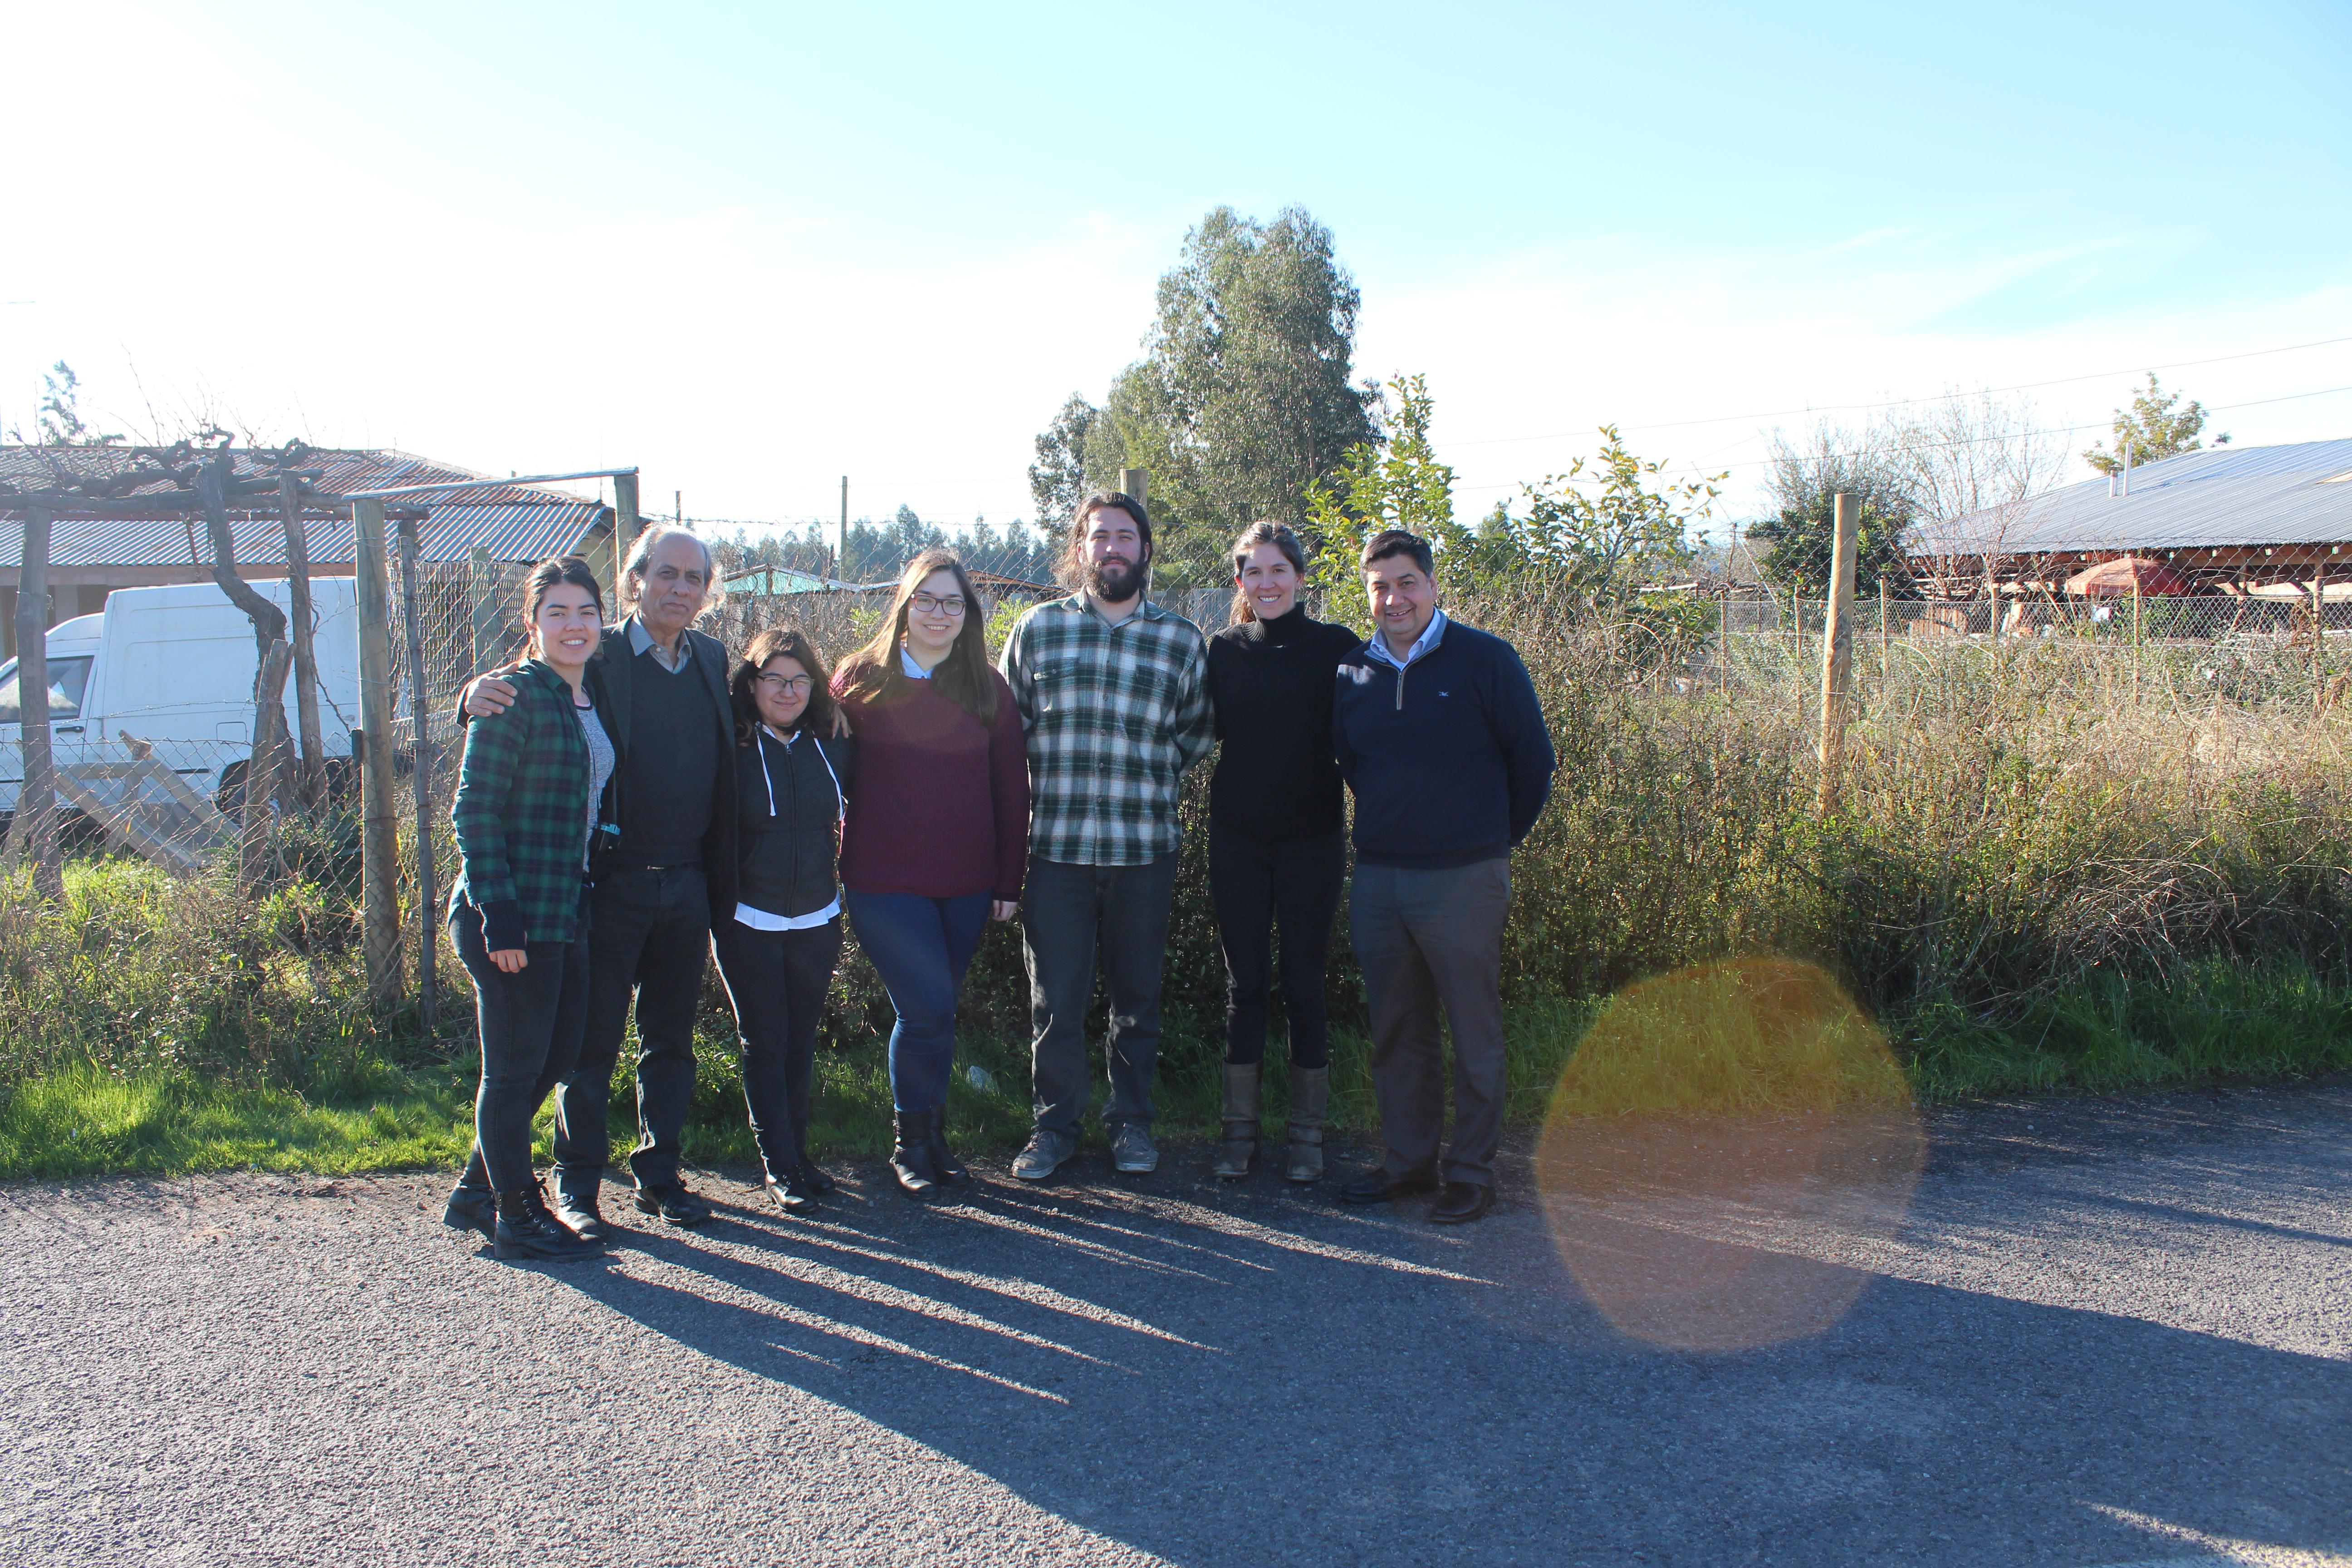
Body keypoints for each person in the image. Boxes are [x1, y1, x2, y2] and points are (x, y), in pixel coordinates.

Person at [460, 524, 736, 1234]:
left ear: (707, 592)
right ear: (635, 580)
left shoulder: (711, 657)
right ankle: (577, 1186)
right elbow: (540, 669)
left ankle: (660, 1175)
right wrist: (474, 693)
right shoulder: (601, 646)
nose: (680, 588)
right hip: (606, 883)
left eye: (693, 578)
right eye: (665, 574)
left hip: (687, 881)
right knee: (589, 1048)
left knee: (670, 1041)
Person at [1333, 529, 1555, 1225]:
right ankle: (1409, 1166)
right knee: (1398, 1029)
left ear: (1432, 585)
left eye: (1406, 583)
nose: (1393, 598)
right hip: (1380, 879)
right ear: (1368, 593)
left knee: (1473, 1028)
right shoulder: (1352, 674)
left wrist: (1491, 842)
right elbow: (1351, 765)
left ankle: (1472, 1173)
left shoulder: (1486, 660)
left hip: (1464, 877)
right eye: (1379, 587)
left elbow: (1534, 764)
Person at [998, 490, 1212, 1181]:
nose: (1113, 548)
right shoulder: (1038, 630)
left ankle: (1131, 1126)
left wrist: (1144, 775)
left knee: (1137, 999)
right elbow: (1007, 731)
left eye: (1126, 536)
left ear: (1146, 550)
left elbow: (1197, 732)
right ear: (1080, 549)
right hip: (1055, 851)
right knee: (1054, 1003)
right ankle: (1053, 1128)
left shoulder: (1180, 639)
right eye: (1099, 536)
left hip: (1143, 849)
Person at [831, 549, 1029, 1198]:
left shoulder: (986, 686)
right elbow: (825, 773)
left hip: (967, 882)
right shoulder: (860, 680)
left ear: (967, 614)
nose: (939, 614)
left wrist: (1007, 881)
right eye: (927, 600)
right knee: (927, 1009)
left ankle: (934, 1137)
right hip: (882, 881)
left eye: (952, 603)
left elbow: (1010, 792)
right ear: (904, 605)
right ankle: (909, 1144)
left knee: (936, 1017)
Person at [442, 557, 616, 1263]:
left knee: (561, 1053)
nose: (573, 626)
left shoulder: (589, 692)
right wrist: (498, 917)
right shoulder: (512, 696)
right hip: (509, 914)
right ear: (531, 623)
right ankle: (514, 1214)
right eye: (558, 613)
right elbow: (472, 810)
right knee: (513, 1071)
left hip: (565, 905)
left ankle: (478, 1191)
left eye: (585, 613)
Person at [1204, 521, 1361, 1182]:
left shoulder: (1338, 647)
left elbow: (1370, 737)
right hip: (1237, 838)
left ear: (1300, 577)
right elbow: (1188, 730)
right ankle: (1239, 1137)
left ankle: (1306, 1138)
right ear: (1239, 583)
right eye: (1253, 573)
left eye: (1278, 571)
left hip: (1312, 841)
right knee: (1245, 986)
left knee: (1303, 984)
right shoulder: (1221, 650)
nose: (1266, 583)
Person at [710, 627, 855, 1216]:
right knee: (765, 1041)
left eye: (800, 680)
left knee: (800, 1041)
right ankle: (779, 1166)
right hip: (749, 919)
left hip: (818, 918)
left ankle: (799, 1154)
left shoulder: (834, 740)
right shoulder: (730, 743)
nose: (788, 691)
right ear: (753, 683)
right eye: (774, 678)